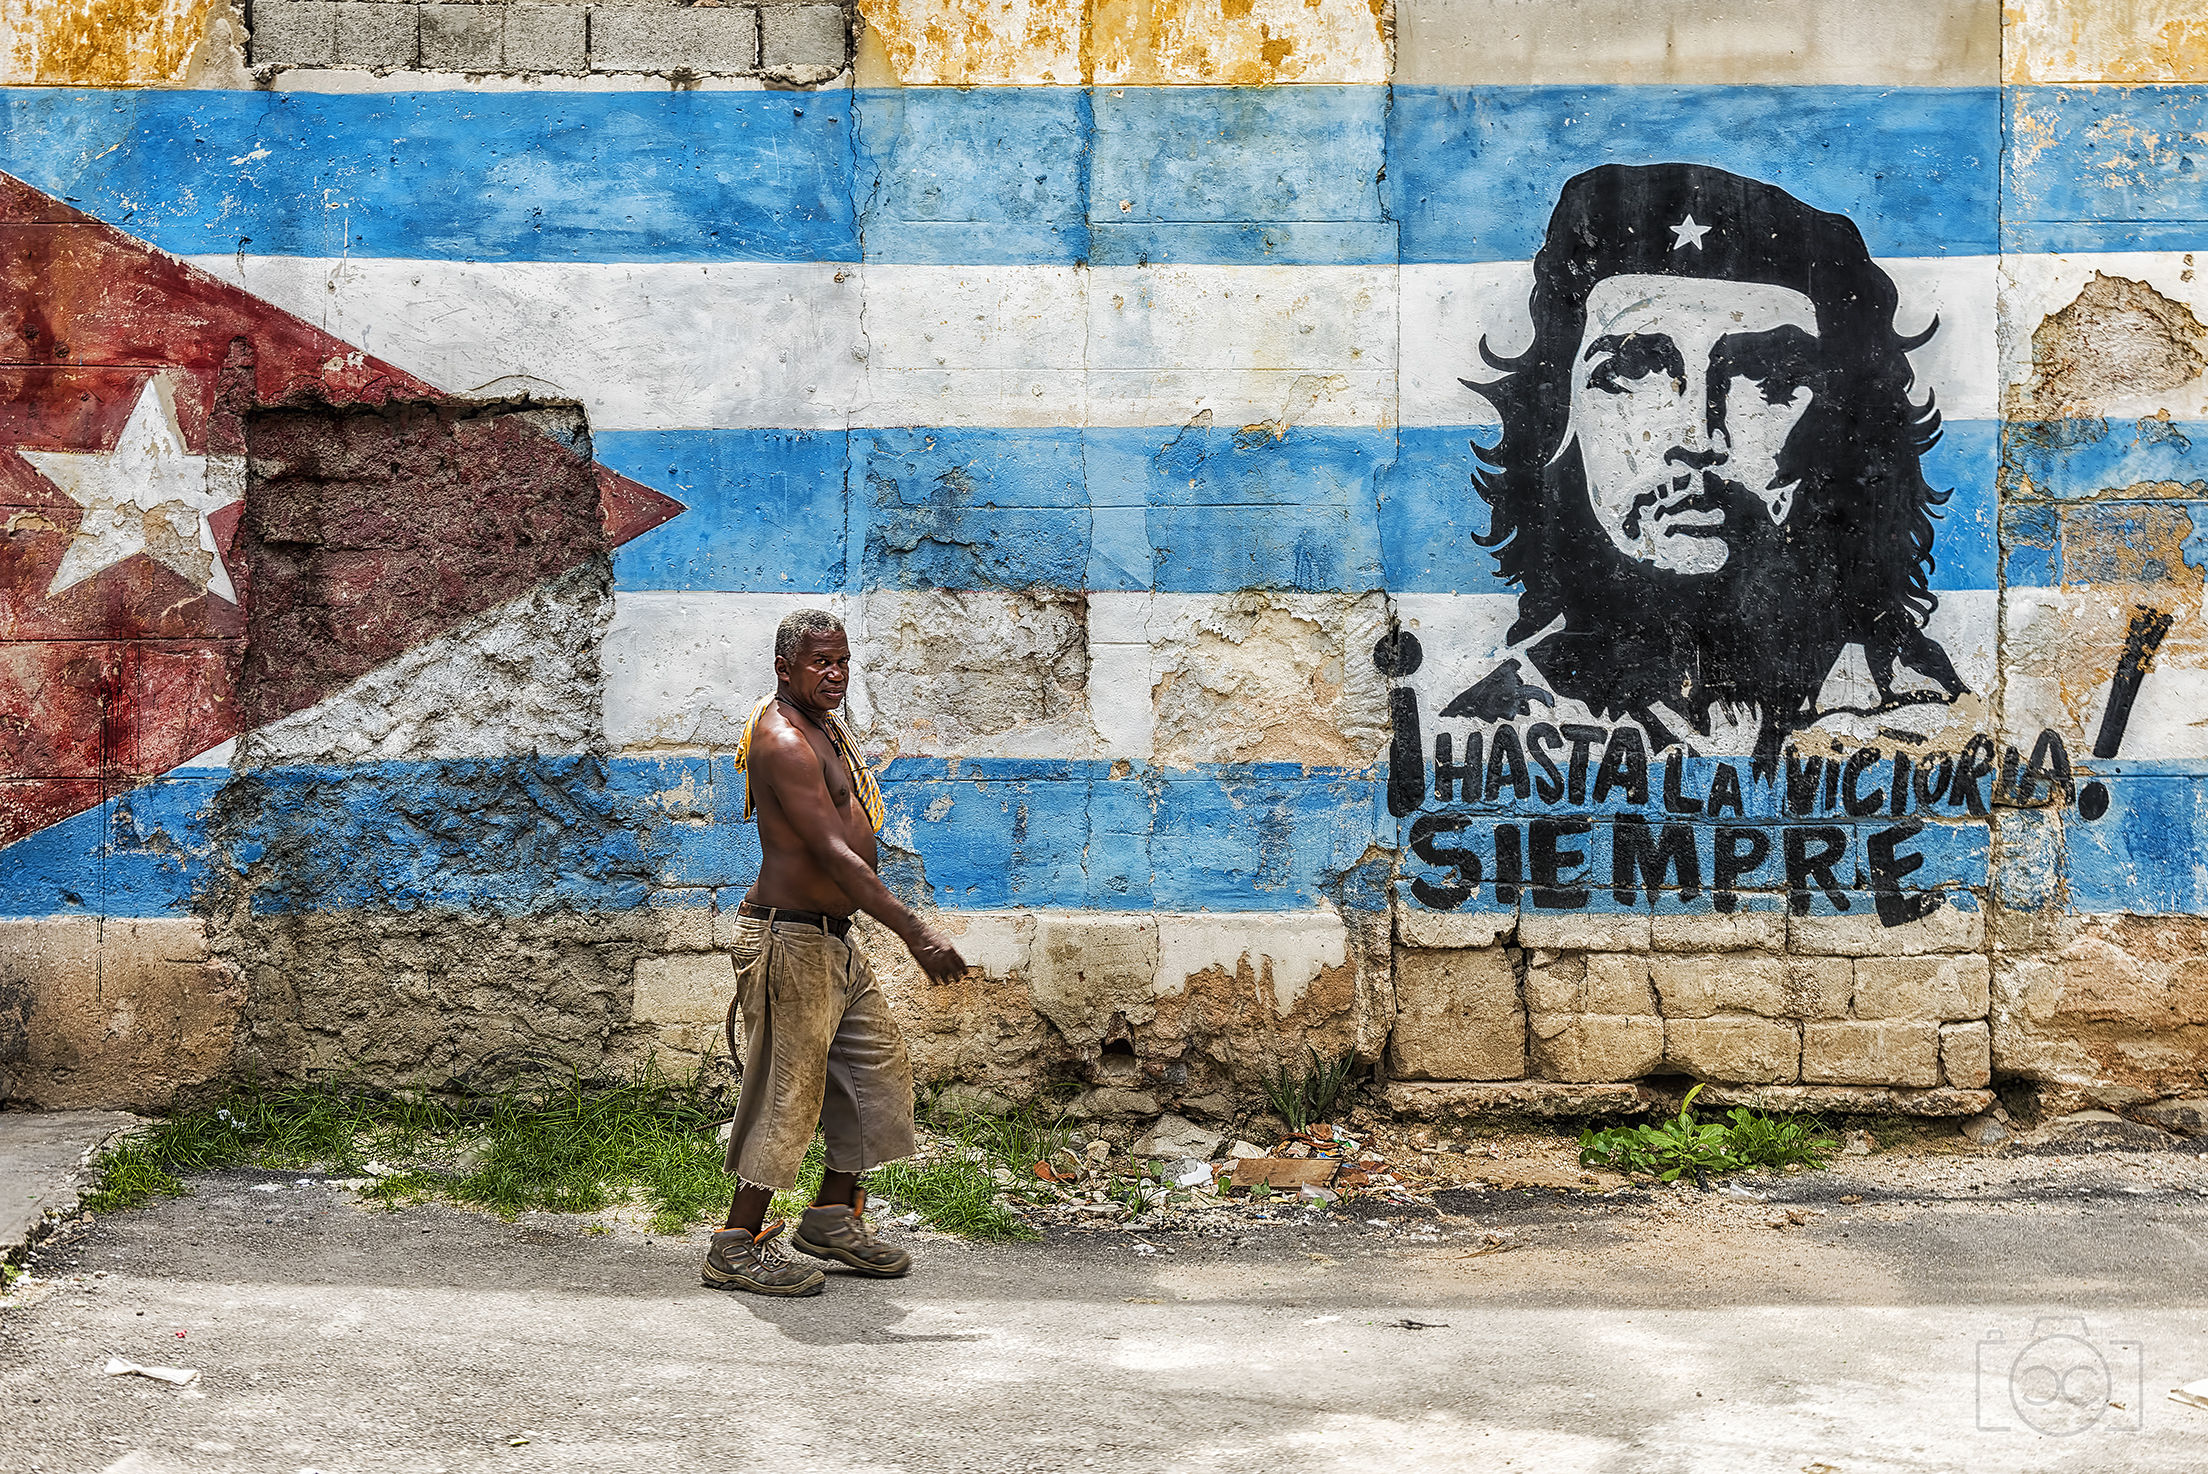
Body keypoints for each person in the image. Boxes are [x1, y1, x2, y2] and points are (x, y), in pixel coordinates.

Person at [1460, 162, 1965, 762]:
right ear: (1557, 419)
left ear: (1848, 426)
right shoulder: (1496, 732)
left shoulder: (1926, 716)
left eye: (1769, 374)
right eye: (1634, 368)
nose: (1699, 435)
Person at [701, 608, 968, 1297]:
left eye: (843, 661)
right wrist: (915, 931)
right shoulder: (783, 739)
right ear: (784, 669)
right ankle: (734, 1246)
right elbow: (833, 853)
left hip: (830, 942)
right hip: (790, 941)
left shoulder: (823, 727)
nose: (836, 674)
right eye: (821, 663)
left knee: (875, 1079)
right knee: (787, 1095)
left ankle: (828, 1218)